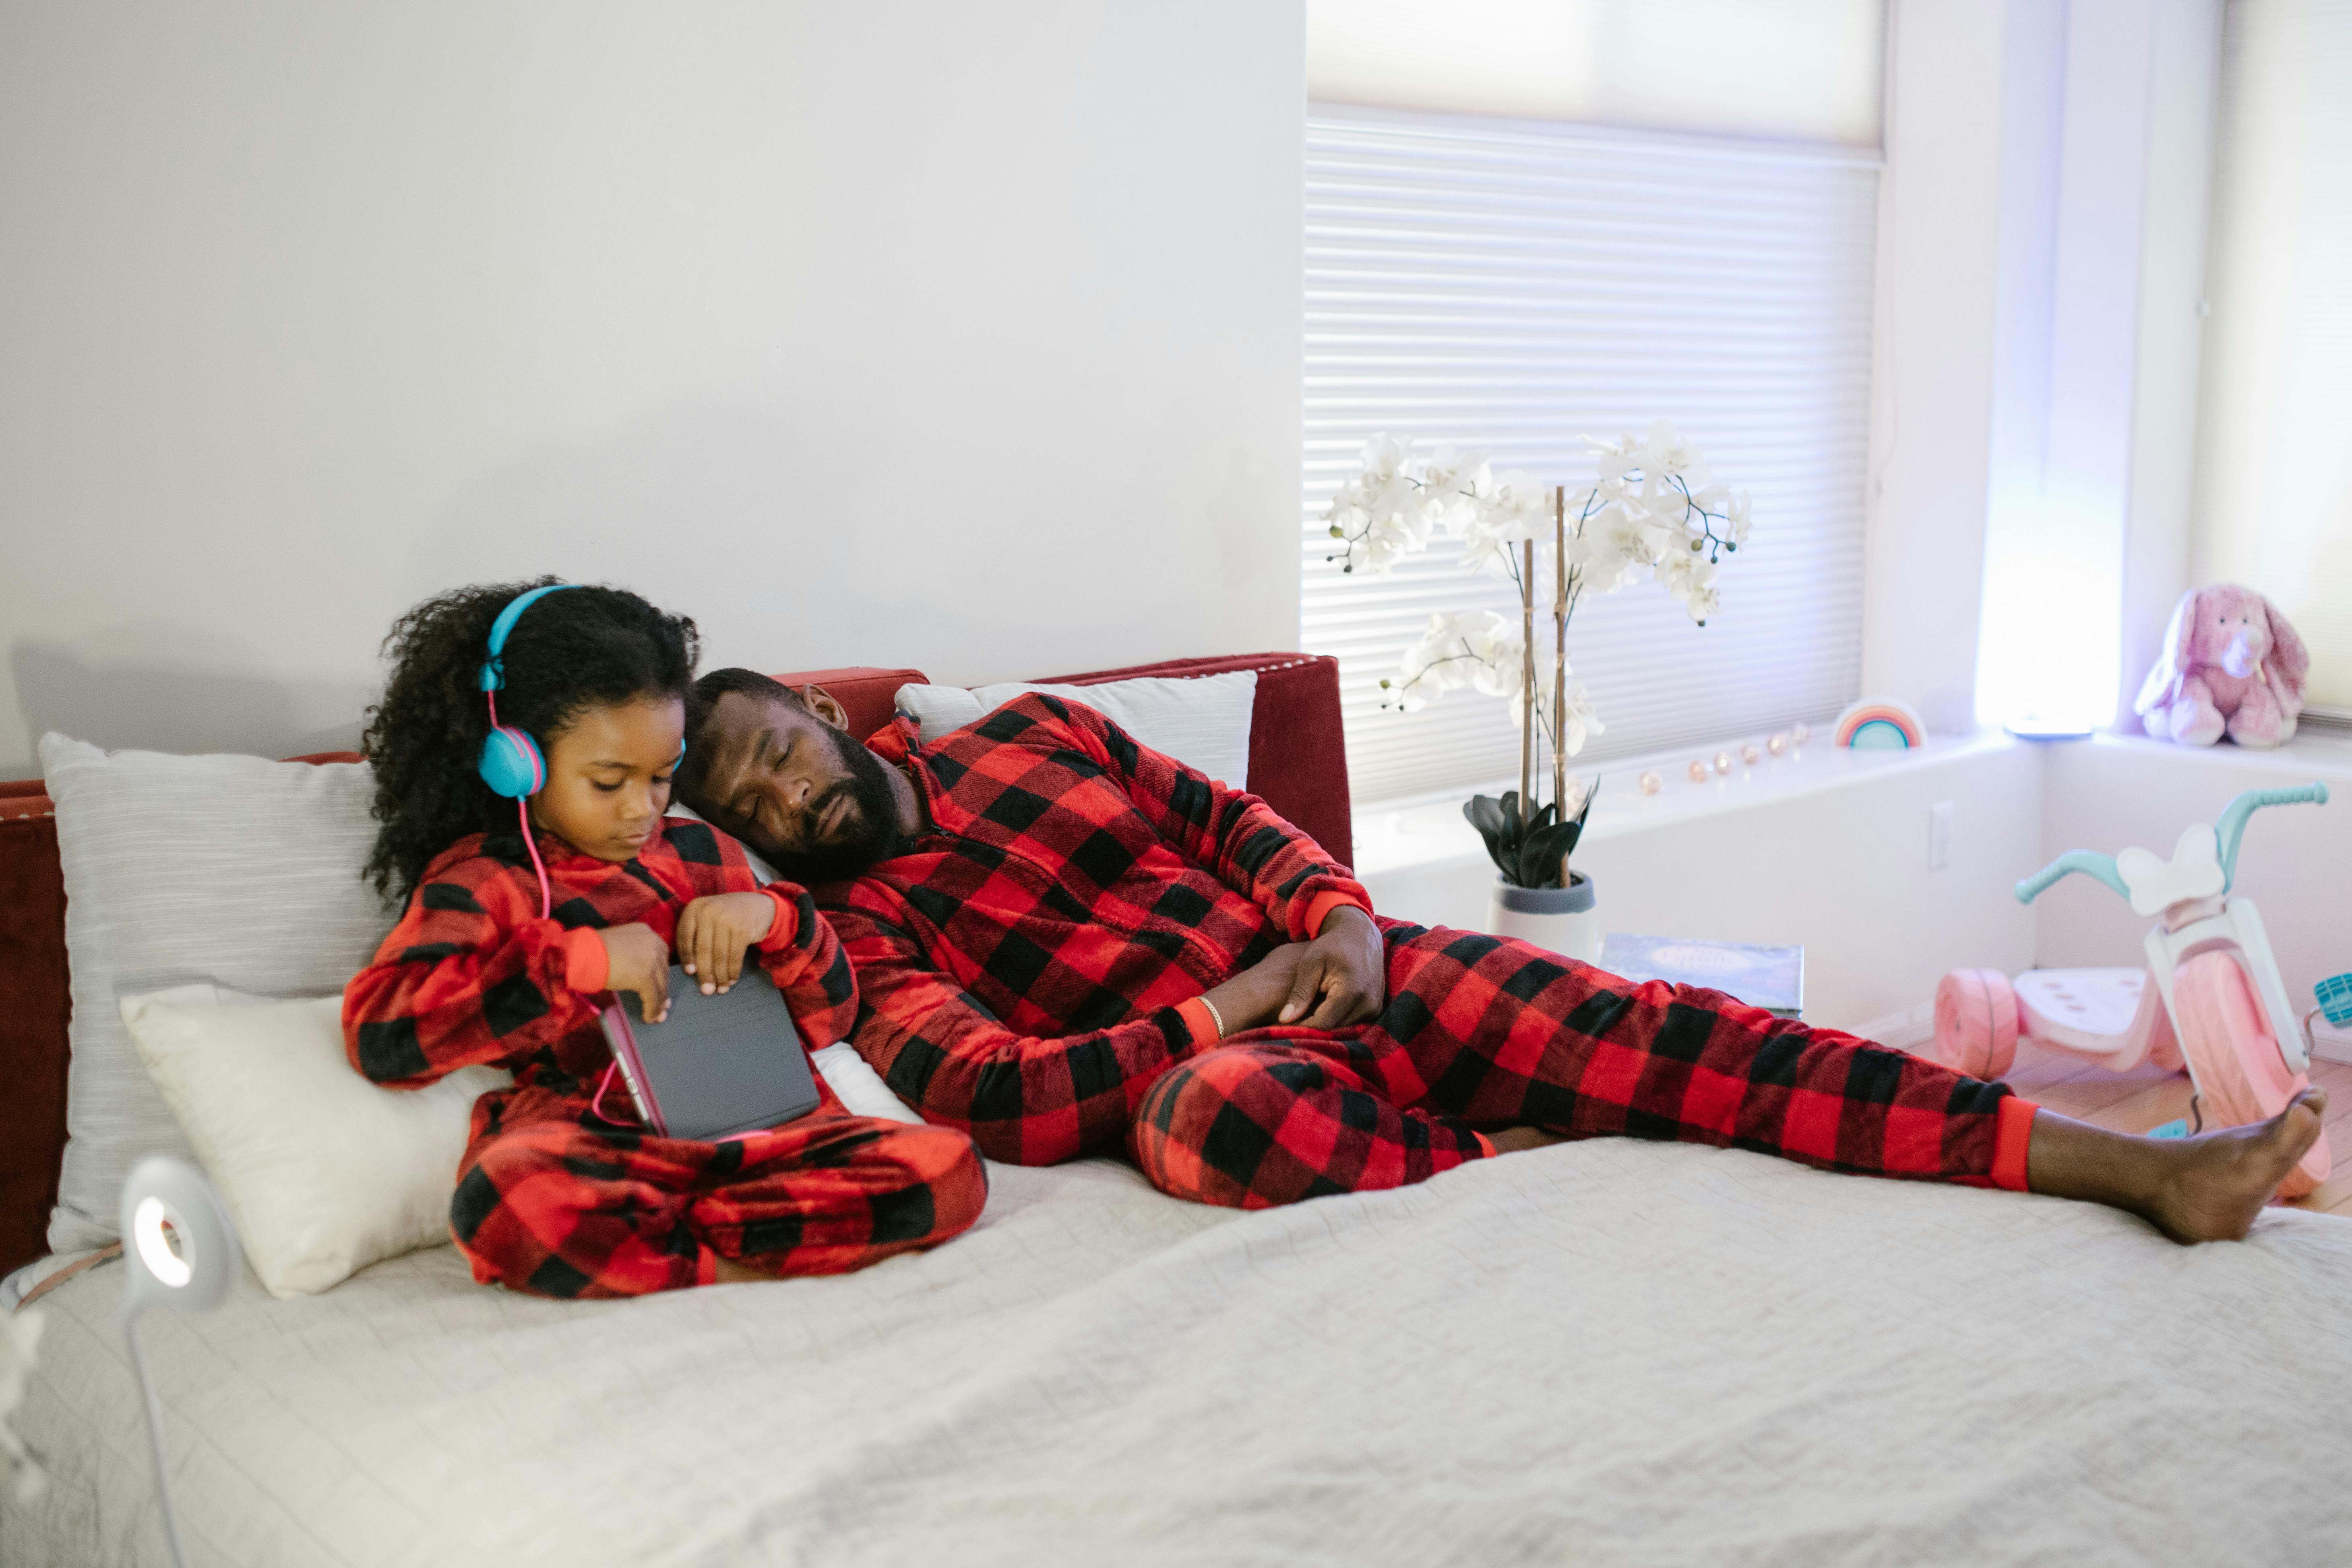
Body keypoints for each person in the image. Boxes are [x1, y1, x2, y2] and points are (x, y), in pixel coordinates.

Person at [675, 669, 2327, 1245]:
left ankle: (2128, 1165)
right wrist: (1235, 998)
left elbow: (1244, 822)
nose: (781, 791)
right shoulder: (852, 930)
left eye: (770, 746)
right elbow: (1002, 1094)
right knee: (1197, 1120)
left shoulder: (1039, 726)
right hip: (1253, 1059)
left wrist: (1326, 918)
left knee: (1680, 1030)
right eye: (745, 799)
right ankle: (1492, 1140)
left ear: (821, 713)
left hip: (1360, 968)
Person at [341, 583, 986, 1298]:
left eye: (659, 778)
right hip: (603, 1145)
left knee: (948, 1169)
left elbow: (830, 1018)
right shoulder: (487, 881)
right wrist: (574, 963)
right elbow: (385, 1037)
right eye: (609, 781)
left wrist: (776, 921)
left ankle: (670, 1245)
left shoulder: (705, 856)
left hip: (764, 1129)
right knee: (509, 1198)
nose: (640, 809)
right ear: (516, 763)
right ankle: (732, 1259)